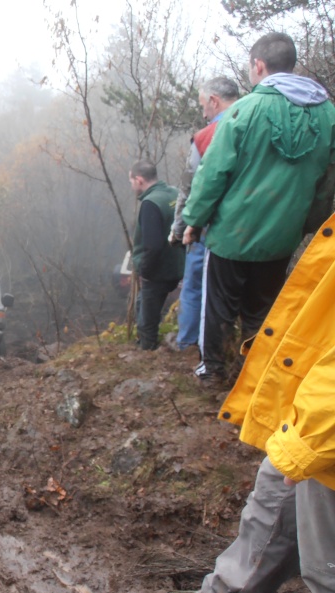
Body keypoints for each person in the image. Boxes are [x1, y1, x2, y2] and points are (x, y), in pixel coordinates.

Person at [186, 212, 335, 593]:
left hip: (321, 429)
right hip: (307, 411)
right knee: (259, 536)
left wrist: (311, 438)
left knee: (327, 575)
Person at [182, 32, 335, 384]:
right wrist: (307, 225)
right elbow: (327, 181)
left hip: (232, 233)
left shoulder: (245, 110)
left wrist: (194, 220)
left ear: (259, 66)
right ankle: (256, 376)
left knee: (218, 305)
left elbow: (213, 173)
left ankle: (213, 372)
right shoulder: (327, 114)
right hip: (282, 236)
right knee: (263, 310)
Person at [169, 77, 239, 351]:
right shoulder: (262, 124)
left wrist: (180, 229)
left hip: (209, 228)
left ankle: (189, 345)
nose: (202, 113)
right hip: (254, 228)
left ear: (214, 101)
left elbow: (189, 189)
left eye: (202, 106)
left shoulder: (207, 136)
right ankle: (230, 347)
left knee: (195, 285)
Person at [129, 160, 185, 350]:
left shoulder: (150, 203)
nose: (132, 186)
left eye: (131, 182)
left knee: (147, 318)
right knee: (141, 304)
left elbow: (152, 246)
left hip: (158, 270)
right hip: (180, 264)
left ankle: (147, 350)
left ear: (139, 180)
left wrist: (144, 270)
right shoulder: (175, 193)